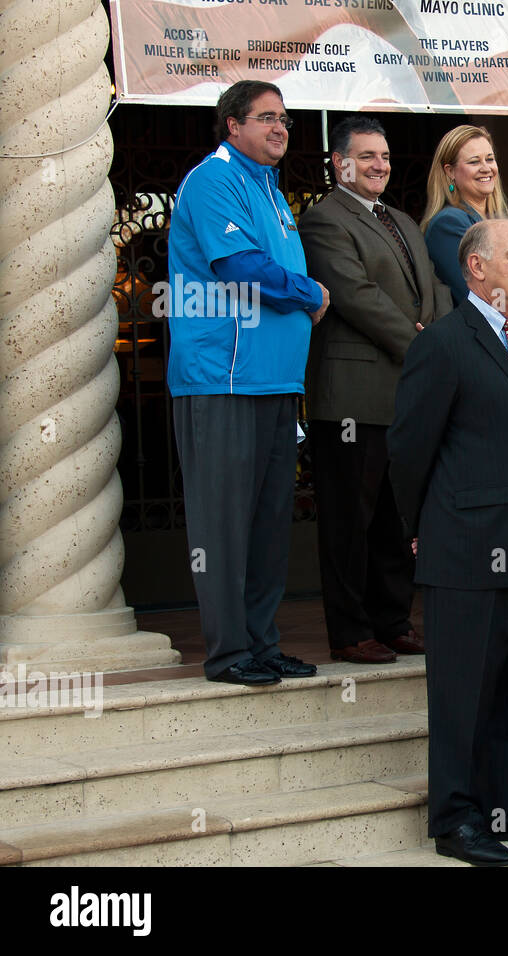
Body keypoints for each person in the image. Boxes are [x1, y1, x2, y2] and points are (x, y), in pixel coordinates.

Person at [387, 219, 508, 866]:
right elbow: (408, 449)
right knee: (463, 694)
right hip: (465, 553)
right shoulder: (443, 344)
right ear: (475, 268)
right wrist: (422, 530)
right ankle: (456, 817)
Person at [167, 80, 327, 686]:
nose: (280, 128)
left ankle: (261, 643)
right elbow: (239, 268)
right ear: (232, 125)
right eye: (266, 118)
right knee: (225, 524)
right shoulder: (213, 180)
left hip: (275, 383)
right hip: (222, 380)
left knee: (266, 524)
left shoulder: (272, 191)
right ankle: (228, 652)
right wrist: (312, 293)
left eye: (284, 119)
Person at [299, 116, 434, 665]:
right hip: (352, 396)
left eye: (385, 155)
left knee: (395, 519)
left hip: (404, 394)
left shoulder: (401, 218)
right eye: (367, 156)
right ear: (340, 162)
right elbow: (354, 295)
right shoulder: (323, 219)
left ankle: (392, 620)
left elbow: (432, 291)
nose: (380, 165)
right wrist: (420, 343)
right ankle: (351, 631)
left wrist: (438, 337)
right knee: (350, 521)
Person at [420, 124, 508, 370]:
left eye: (489, 159)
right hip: (483, 355)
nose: (486, 168)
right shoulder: (448, 224)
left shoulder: (505, 223)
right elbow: (488, 296)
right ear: (450, 171)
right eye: (473, 162)